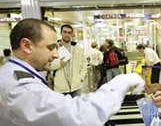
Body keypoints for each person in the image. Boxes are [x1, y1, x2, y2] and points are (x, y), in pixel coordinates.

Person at [0, 18, 144, 126]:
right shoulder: (20, 87)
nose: (56, 54)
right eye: (50, 48)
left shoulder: (11, 73)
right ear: (26, 46)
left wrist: (80, 78)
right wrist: (120, 83)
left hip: (74, 85)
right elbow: (78, 115)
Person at [50, 24, 87, 97]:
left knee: (76, 108)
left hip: (76, 87)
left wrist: (81, 77)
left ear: (72, 34)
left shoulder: (77, 49)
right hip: (60, 88)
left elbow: (84, 64)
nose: (67, 34)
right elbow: (48, 65)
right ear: (61, 33)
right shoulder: (54, 48)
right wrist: (59, 64)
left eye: (69, 32)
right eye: (65, 32)